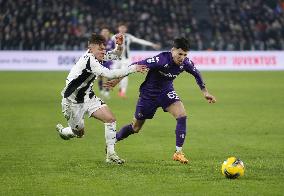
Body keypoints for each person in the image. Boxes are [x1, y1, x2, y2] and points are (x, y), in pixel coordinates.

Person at [105, 37, 216, 164]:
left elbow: (197, 74)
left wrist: (205, 92)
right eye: (180, 54)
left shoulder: (185, 63)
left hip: (166, 92)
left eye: (185, 54)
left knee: (182, 115)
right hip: (148, 95)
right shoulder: (160, 59)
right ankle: (112, 142)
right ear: (172, 50)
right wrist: (117, 80)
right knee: (135, 128)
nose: (182, 57)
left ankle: (178, 152)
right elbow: (134, 65)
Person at [56, 33, 147, 164]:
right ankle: (64, 131)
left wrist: (120, 45)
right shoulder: (89, 60)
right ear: (90, 48)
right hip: (73, 102)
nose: (103, 51)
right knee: (79, 133)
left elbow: (116, 55)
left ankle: (111, 154)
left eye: (104, 48)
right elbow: (109, 74)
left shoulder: (98, 55)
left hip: (88, 96)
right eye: (100, 49)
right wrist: (133, 68)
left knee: (110, 119)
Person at [111, 23, 161, 98]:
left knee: (124, 75)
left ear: (126, 29)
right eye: (121, 28)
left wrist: (152, 44)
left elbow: (139, 41)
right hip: (116, 59)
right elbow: (110, 46)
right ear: (118, 28)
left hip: (126, 59)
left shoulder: (128, 37)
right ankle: (117, 88)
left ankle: (122, 92)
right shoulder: (113, 37)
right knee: (113, 74)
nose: (122, 29)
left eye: (124, 28)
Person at [98, 27, 116, 99]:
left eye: (106, 31)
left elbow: (115, 50)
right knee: (100, 76)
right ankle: (101, 90)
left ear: (108, 33)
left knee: (109, 76)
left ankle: (107, 92)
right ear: (101, 33)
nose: (105, 33)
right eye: (103, 31)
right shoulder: (98, 41)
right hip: (99, 60)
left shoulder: (111, 41)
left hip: (108, 61)